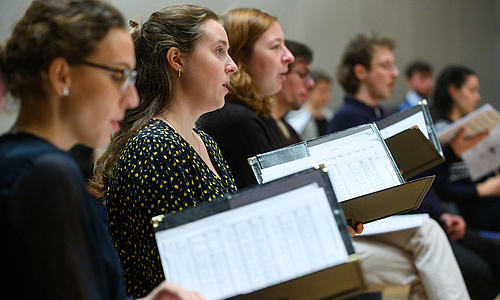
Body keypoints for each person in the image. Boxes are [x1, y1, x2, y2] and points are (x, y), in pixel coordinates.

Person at [0, 1, 204, 299]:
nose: (132, 98)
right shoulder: (47, 174)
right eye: (119, 76)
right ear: (62, 76)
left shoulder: (19, 159)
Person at [91, 4, 238, 298]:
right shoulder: (154, 147)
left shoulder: (202, 141)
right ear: (176, 59)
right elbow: (182, 277)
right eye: (219, 51)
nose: (232, 65)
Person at [326, 33, 470, 299]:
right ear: (360, 72)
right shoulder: (347, 118)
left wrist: (439, 212)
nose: (394, 73)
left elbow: (419, 174)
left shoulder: (384, 114)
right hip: (370, 222)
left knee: (438, 253)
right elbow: (354, 194)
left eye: (394, 66)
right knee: (432, 241)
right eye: (385, 65)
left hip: (399, 215)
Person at [198, 8, 294, 189]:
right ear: (241, 58)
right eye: (275, 46)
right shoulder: (235, 118)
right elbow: (274, 197)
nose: (289, 56)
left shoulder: (257, 112)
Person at [431, 65, 500, 233]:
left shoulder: (472, 127)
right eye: (472, 90)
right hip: (471, 212)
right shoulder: (441, 132)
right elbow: (439, 188)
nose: (477, 97)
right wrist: (481, 190)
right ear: (453, 91)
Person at [272, 40, 315, 145]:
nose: (311, 83)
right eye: (302, 74)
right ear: (281, 74)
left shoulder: (286, 127)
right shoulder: (257, 126)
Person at [285, 70, 334, 140]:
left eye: (328, 90)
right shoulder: (297, 118)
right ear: (309, 92)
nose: (325, 96)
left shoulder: (330, 116)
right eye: (321, 90)